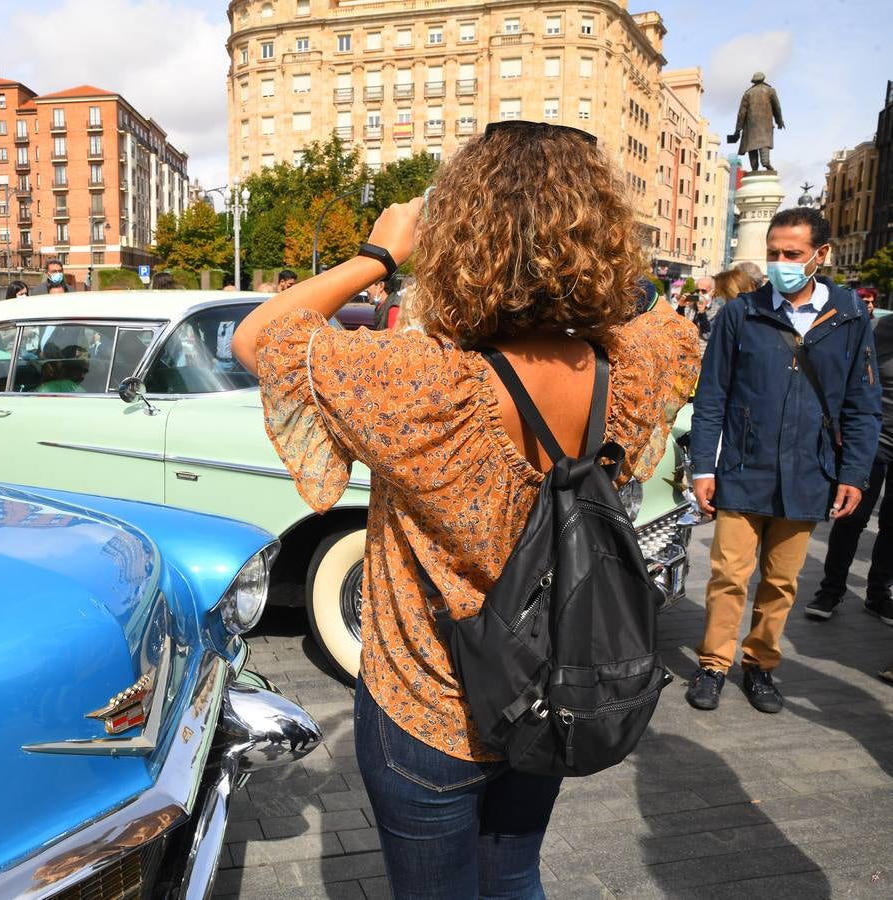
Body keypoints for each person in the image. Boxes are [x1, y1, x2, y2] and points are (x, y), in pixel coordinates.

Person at [230, 121, 700, 898]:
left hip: (431, 704)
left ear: (459, 237)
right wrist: (584, 285)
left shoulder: (421, 381)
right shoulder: (634, 360)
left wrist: (378, 254)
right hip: (553, 688)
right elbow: (666, 319)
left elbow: (261, 336)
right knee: (514, 874)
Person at [687, 207, 881, 714]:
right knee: (729, 574)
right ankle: (713, 664)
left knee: (780, 582)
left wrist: (853, 474)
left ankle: (761, 666)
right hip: (742, 470)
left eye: (791, 254)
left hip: (809, 473)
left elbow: (862, 405)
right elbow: (712, 397)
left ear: (822, 255)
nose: (780, 263)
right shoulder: (740, 313)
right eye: (773, 253)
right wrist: (703, 467)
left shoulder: (849, 316)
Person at [805, 303, 891, 623]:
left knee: (892, 524)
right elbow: (851, 382)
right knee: (852, 517)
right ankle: (831, 590)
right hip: (874, 440)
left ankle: (879, 593)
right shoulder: (879, 331)